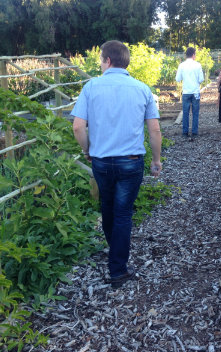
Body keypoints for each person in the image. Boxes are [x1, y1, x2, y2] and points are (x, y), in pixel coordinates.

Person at [71, 40, 162, 289]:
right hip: (131, 162)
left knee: (108, 208)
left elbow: (78, 126)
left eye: (100, 60)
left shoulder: (91, 87)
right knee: (122, 213)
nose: (99, 64)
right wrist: (156, 160)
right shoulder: (142, 89)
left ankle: (115, 254)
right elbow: (154, 129)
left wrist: (87, 149)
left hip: (101, 161)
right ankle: (118, 268)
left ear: (108, 60)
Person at [176, 47, 204, 137]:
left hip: (186, 92)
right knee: (195, 113)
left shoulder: (181, 65)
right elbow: (201, 79)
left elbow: (178, 79)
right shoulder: (198, 65)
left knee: (185, 113)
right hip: (195, 92)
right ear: (193, 55)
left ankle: (185, 132)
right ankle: (194, 132)